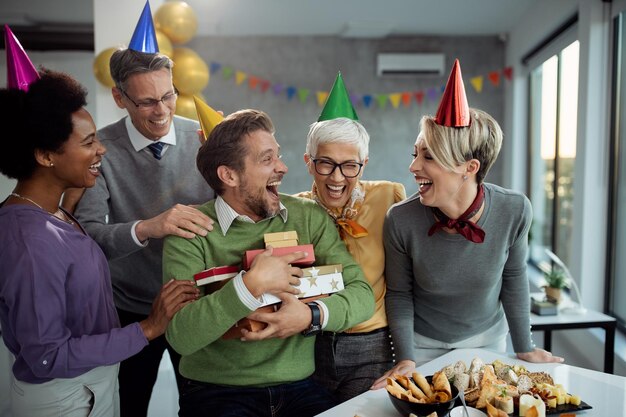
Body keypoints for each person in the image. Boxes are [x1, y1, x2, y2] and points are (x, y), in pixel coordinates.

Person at [0, 67, 199, 417]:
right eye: (88, 142)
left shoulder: (54, 213)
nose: (102, 149)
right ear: (46, 156)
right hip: (66, 399)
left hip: (90, 387)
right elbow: (48, 356)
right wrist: (148, 328)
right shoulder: (29, 241)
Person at [162, 108, 375, 417]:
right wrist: (249, 285)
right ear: (229, 175)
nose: (283, 168)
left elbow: (361, 295)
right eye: (267, 160)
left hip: (300, 387)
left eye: (278, 156)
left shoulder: (309, 217)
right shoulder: (190, 232)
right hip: (216, 391)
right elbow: (181, 336)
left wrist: (310, 316)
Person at [373, 60, 563, 388]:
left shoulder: (514, 209)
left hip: (488, 341)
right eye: (415, 153)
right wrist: (405, 357)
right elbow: (399, 293)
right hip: (422, 347)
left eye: (428, 157)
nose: (413, 166)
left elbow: (514, 278)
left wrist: (524, 347)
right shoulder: (400, 219)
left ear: (469, 167)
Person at [72, 46, 215, 417]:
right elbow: (88, 237)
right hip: (129, 309)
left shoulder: (206, 138)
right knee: (128, 405)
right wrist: (149, 227)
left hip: (195, 304)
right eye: (148, 101)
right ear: (120, 97)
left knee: (205, 406)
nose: (163, 110)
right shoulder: (99, 151)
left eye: (168, 95)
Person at [295, 73, 405, 403]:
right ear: (308, 163)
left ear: (364, 164)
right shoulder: (292, 211)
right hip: (308, 346)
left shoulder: (389, 198)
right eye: (326, 164)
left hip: (371, 347)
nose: (337, 178)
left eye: (350, 166)